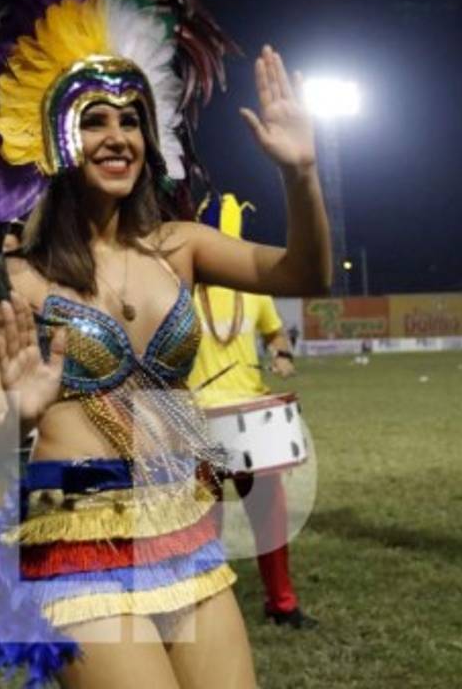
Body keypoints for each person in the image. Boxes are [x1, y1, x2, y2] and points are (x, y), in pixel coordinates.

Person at [0, 0, 330, 688]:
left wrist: (300, 173)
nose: (117, 137)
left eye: (131, 120)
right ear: (52, 138)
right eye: (94, 121)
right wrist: (18, 408)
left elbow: (305, 276)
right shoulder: (11, 282)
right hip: (76, 535)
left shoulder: (182, 246)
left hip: (188, 522)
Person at [188, 193, 316, 630]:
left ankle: (282, 603)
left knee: (270, 519)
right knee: (205, 520)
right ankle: (205, 604)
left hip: (252, 421)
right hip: (198, 421)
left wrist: (282, 354)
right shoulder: (179, 288)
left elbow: (276, 334)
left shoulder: (253, 291)